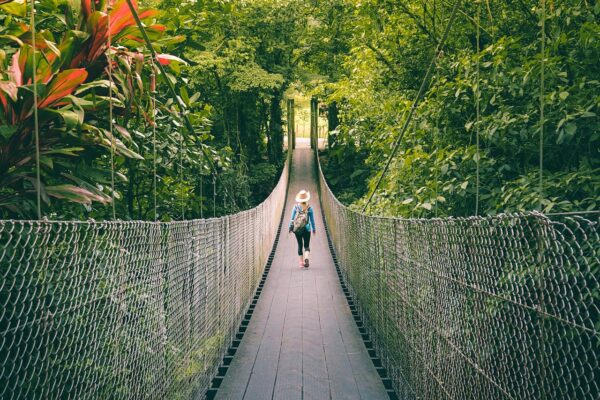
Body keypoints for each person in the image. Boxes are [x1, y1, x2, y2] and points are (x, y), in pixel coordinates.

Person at [288, 190, 316, 268]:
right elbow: (312, 220)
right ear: (306, 199)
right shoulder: (309, 208)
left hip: (297, 229)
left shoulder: (295, 207)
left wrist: (290, 228)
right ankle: (306, 258)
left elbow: (292, 219)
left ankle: (301, 262)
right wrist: (314, 229)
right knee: (306, 246)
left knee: (300, 245)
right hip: (307, 229)